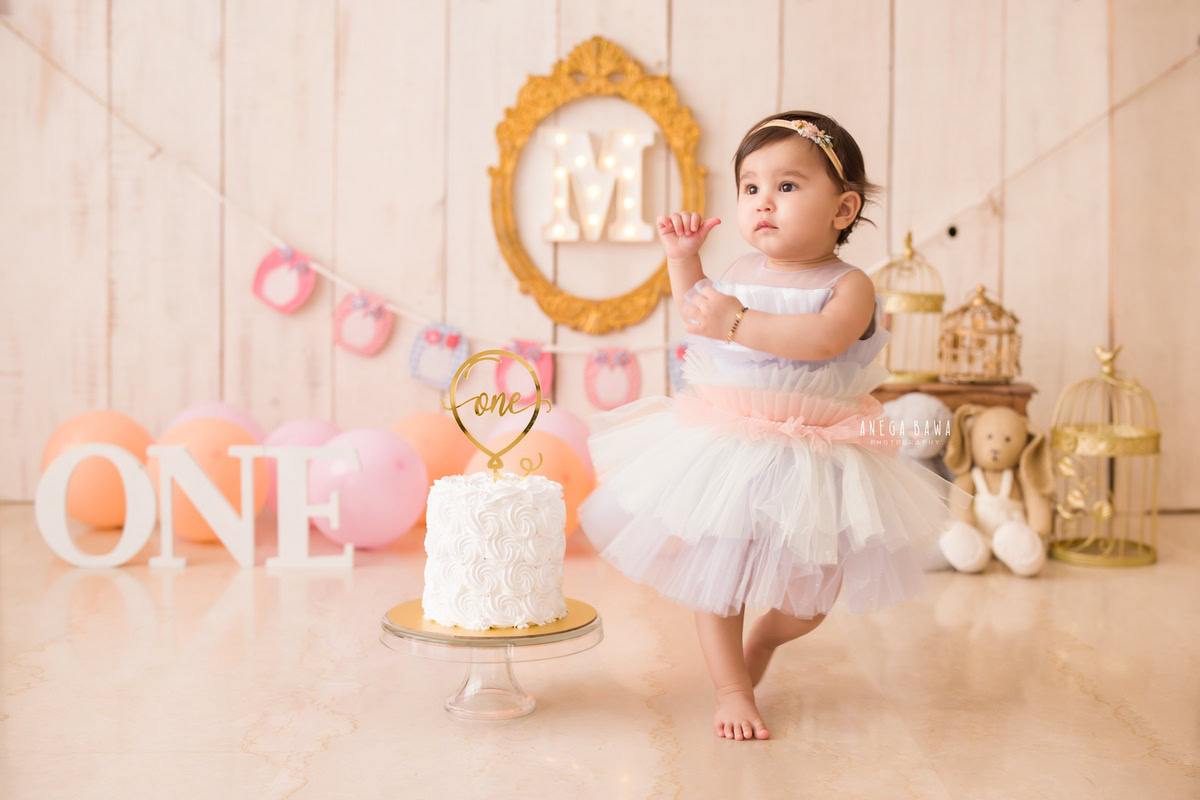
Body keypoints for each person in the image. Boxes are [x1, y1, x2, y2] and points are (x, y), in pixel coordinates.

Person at [577, 110, 970, 741]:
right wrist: (685, 259)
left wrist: (736, 321)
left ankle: (771, 634)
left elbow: (818, 341)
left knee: (811, 593)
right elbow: (699, 312)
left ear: (843, 209)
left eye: (787, 186)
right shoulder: (739, 272)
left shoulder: (851, 286)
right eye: (750, 187)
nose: (764, 202)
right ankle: (732, 687)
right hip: (729, 439)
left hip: (818, 450)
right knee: (720, 568)